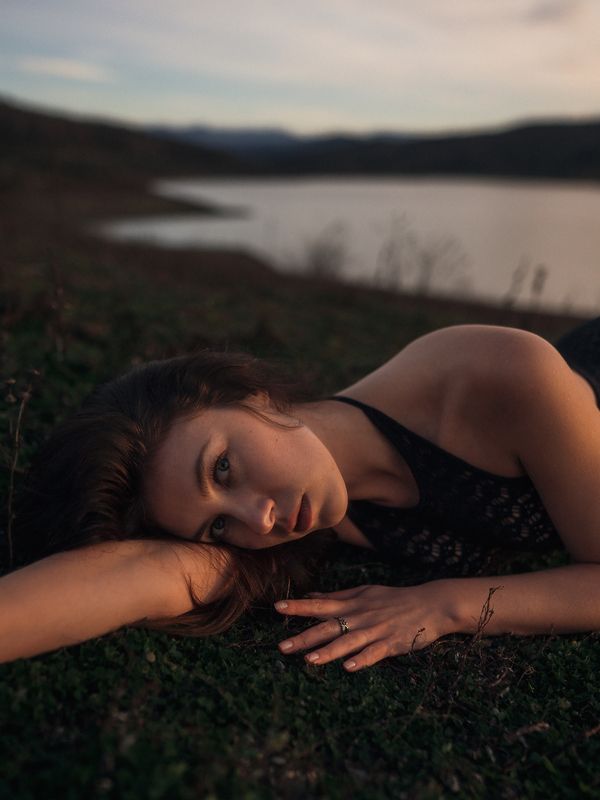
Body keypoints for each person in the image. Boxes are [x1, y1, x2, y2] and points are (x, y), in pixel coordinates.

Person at [3, 316, 600, 669]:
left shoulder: (502, 373)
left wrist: (444, 605)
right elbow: (143, 573)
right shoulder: (280, 520)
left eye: (224, 470)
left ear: (250, 395)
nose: (257, 523)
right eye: (218, 528)